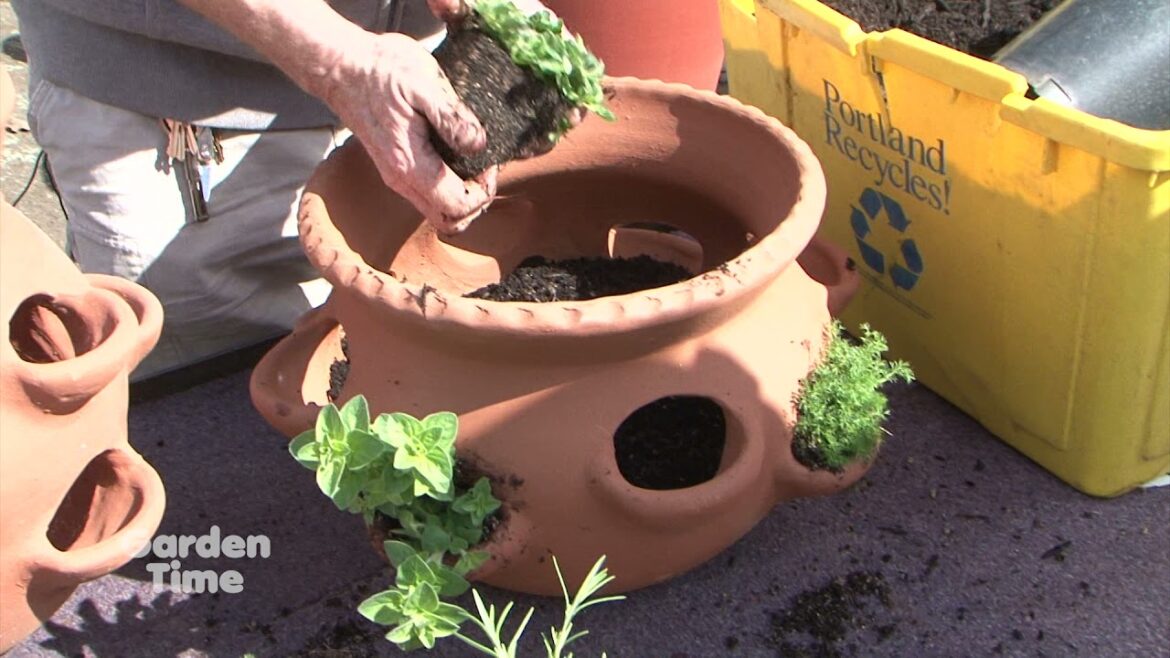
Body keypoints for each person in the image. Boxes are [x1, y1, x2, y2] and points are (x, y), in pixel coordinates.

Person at [10, 0, 546, 379]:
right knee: (206, 409)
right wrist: (342, 63)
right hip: (180, 115)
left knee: (382, 371)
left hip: (409, 76)